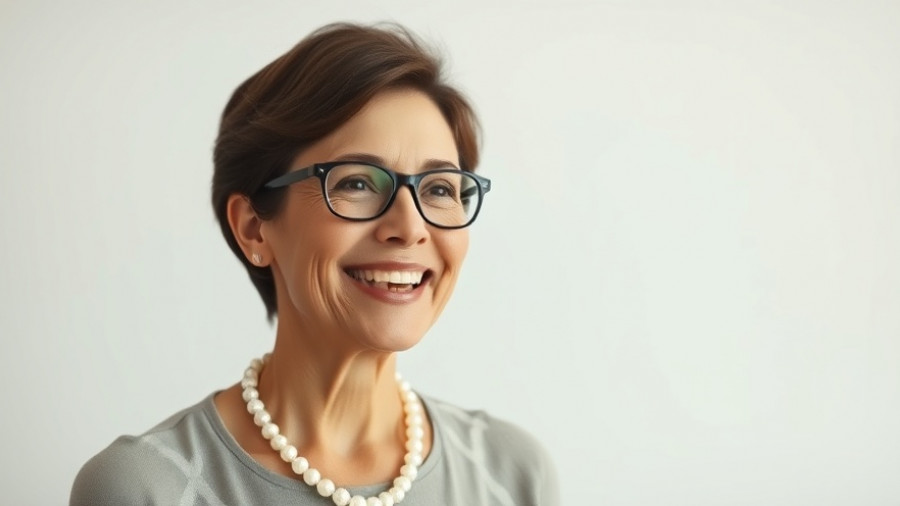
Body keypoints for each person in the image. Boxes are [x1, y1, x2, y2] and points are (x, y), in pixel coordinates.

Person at [70, 22, 559, 506]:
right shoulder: (142, 488)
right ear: (253, 229)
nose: (410, 228)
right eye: (357, 183)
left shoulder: (511, 474)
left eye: (438, 189)